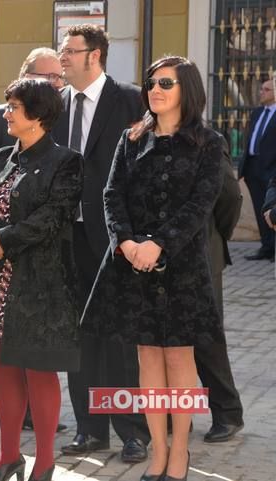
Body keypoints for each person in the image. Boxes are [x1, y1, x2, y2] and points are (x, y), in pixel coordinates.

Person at [82, 55, 227, 481]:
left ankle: (180, 452)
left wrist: (159, 245)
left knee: (180, 359)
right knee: (146, 358)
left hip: (181, 269)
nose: (155, 90)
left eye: (166, 83)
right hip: (132, 265)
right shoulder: (132, 138)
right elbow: (111, 195)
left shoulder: (208, 142)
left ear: (188, 90)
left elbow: (201, 205)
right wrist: (126, 242)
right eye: (151, 83)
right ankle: (157, 451)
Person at [0, 78, 82, 481]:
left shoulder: (66, 161)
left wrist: (3, 241)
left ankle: (44, 461)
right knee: (4, 367)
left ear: (39, 114)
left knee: (39, 371)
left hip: (39, 285)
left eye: (14, 107)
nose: (6, 113)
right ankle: (8, 457)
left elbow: (53, 216)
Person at [51, 24, 150, 462]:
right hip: (65, 238)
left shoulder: (130, 101)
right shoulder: (55, 106)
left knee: (119, 338)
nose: (63, 59)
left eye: (70, 51)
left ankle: (133, 431)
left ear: (95, 56)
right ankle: (90, 429)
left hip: (113, 238)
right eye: (62, 51)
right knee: (79, 337)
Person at [197, 152, 245, 443]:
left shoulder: (209, 141)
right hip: (162, 254)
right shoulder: (146, 136)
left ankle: (227, 412)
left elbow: (230, 197)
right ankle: (173, 413)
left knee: (207, 338)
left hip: (204, 254)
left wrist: (215, 236)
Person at [239, 78, 276, 261]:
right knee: (259, 209)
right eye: (261, 89)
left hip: (271, 170)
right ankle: (266, 247)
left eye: (267, 90)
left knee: (272, 209)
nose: (262, 92)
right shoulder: (257, 112)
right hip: (253, 168)